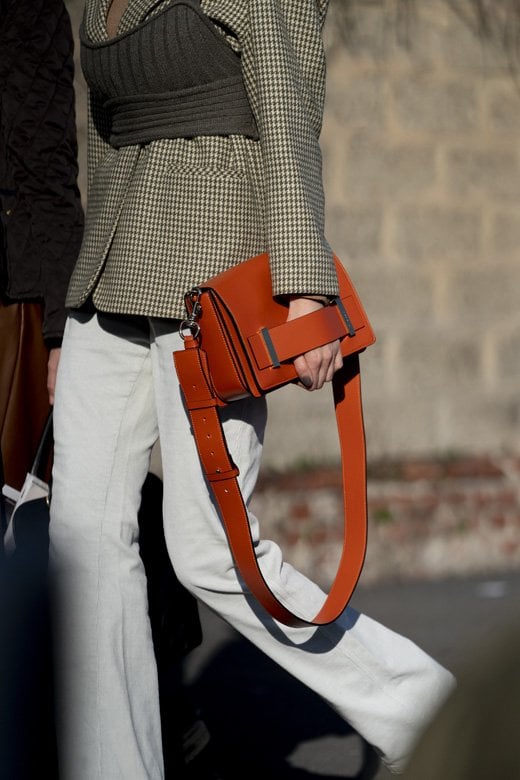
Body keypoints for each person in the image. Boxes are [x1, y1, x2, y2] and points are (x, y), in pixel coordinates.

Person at [49, 1, 456, 778]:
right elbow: (102, 132)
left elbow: (289, 110)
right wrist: (70, 306)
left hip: (213, 274)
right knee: (81, 544)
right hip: (112, 270)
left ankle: (433, 715)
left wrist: (304, 285)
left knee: (209, 551)